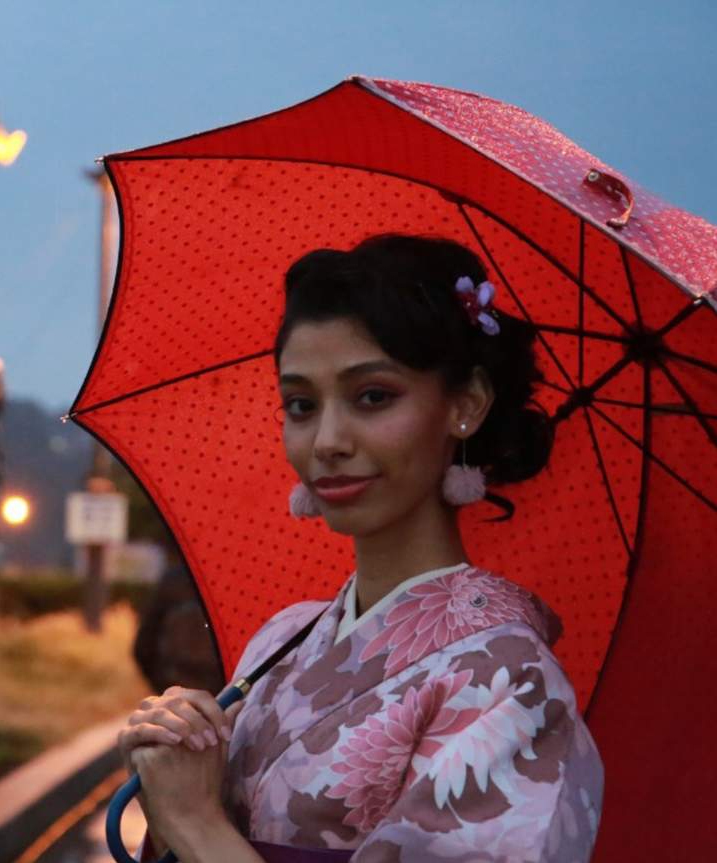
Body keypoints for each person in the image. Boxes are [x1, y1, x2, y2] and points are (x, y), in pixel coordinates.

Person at [116, 234, 604, 862]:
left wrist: (194, 822)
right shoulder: (281, 641)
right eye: (300, 404)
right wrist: (172, 765)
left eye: (373, 396)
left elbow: (201, 829)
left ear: (467, 403)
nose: (327, 440)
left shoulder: (511, 684)